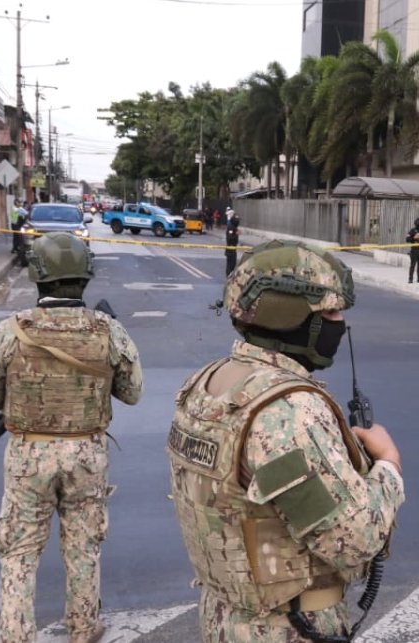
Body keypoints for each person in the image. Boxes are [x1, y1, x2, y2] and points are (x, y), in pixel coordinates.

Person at [168, 240, 404, 642]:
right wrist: (387, 466)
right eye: (330, 311)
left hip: (224, 615)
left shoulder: (207, 383)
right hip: (288, 627)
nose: (340, 321)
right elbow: (354, 540)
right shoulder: (290, 410)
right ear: (288, 316)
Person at [0, 232, 143, 643]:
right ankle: (83, 629)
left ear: (37, 276)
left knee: (19, 553)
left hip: (29, 453)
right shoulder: (108, 330)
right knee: (83, 548)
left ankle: (16, 636)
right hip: (87, 453)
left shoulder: (12, 330)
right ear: (86, 276)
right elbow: (132, 392)